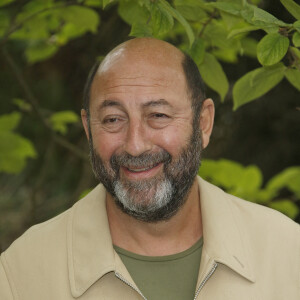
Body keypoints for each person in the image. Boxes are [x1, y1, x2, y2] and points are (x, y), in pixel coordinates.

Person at [0, 38, 299, 300]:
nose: (135, 145)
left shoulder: (287, 253)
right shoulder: (22, 273)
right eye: (113, 120)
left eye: (158, 115)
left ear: (204, 123)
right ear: (88, 130)